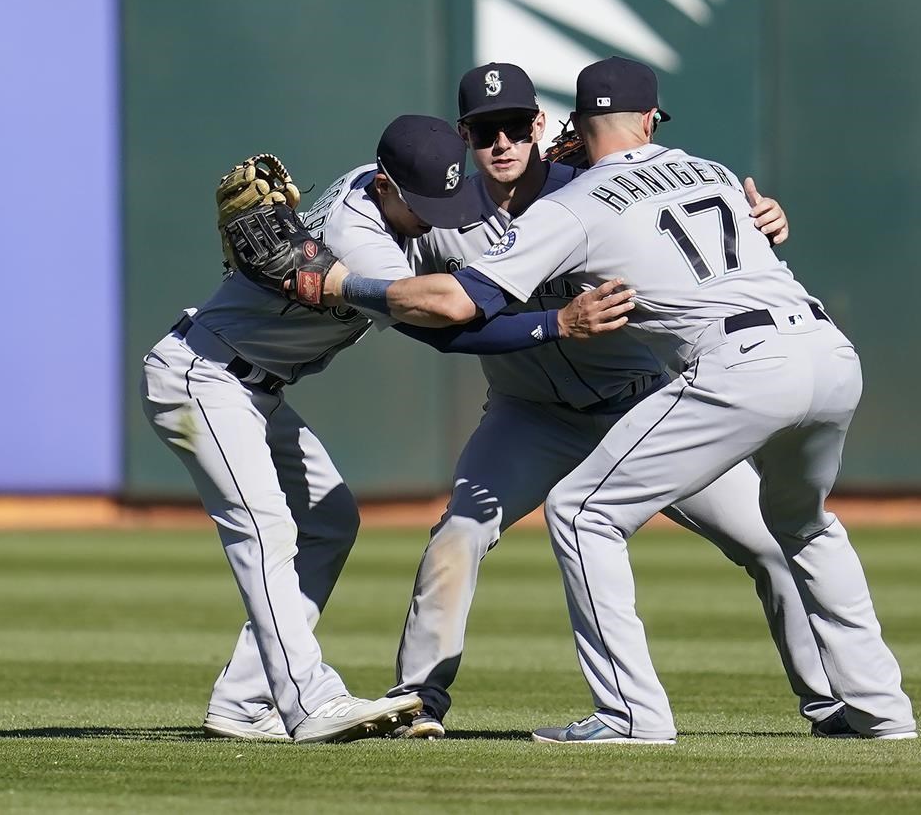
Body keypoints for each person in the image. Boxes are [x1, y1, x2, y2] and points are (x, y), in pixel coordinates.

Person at [304, 57, 917, 744]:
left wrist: (763, 218)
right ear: (465, 137)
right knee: (459, 534)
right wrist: (551, 323)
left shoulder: (582, 193)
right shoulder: (446, 220)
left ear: (543, 124)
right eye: (484, 131)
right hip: (527, 414)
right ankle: (419, 698)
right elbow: (436, 321)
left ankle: (831, 706)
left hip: (643, 400)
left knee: (769, 542)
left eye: (514, 126)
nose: (501, 142)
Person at [142, 115, 628, 743]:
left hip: (252, 386)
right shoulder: (357, 229)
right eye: (425, 203)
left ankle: (243, 700)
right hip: (203, 376)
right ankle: (308, 700)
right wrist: (555, 324)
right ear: (385, 188)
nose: (440, 215)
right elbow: (444, 325)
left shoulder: (409, 196)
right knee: (263, 529)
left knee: (331, 521)